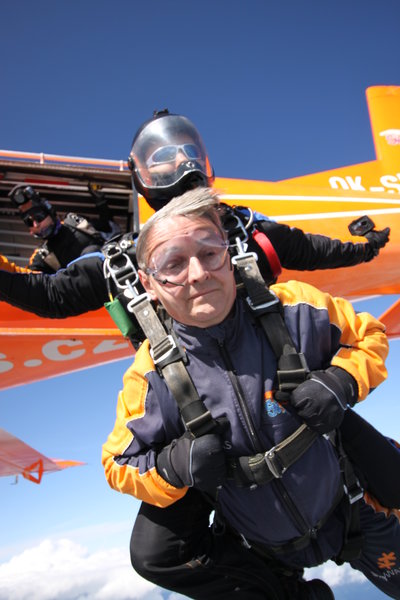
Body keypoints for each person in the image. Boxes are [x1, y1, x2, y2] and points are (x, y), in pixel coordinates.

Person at [101, 187, 400, 600]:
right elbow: (118, 462)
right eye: (173, 263)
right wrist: (173, 466)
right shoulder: (150, 375)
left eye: (209, 252)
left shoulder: (293, 308)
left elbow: (368, 336)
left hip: (352, 509)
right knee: (153, 553)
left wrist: (342, 380)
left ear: (228, 254)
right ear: (148, 284)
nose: (198, 273)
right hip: (260, 550)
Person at [0, 110, 390, 315]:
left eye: (189, 153)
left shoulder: (244, 230)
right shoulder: (129, 258)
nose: (182, 163)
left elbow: (309, 249)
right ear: (144, 175)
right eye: (165, 157)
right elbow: (55, 295)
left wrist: (365, 249)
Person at [8, 184, 119, 274]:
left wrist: (100, 201)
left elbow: (109, 227)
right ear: (30, 230)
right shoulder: (42, 256)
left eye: (39, 217)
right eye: (29, 222)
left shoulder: (75, 222)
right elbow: (29, 282)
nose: (36, 224)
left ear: (49, 212)